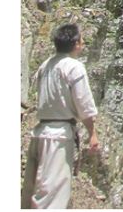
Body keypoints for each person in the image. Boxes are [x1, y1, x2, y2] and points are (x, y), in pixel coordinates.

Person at [21, 23, 102, 209]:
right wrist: (92, 134)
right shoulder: (74, 67)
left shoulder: (45, 66)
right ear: (76, 44)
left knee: (31, 192)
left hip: (39, 133)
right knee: (53, 195)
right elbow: (84, 103)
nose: (83, 42)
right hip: (58, 137)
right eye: (81, 39)